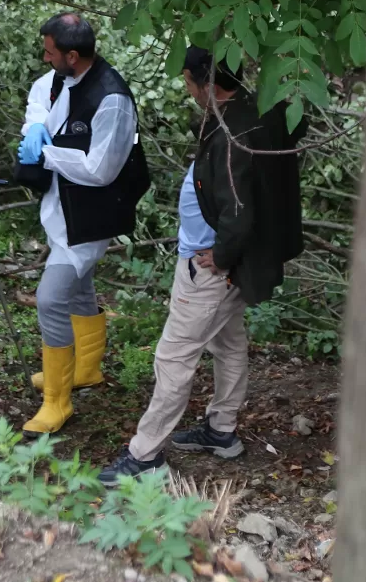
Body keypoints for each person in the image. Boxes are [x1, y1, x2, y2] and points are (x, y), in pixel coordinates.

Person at [99, 47, 306, 485]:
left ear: (208, 84)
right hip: (229, 260)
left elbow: (240, 209)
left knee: (173, 356)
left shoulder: (236, 133)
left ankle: (145, 455)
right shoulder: (256, 108)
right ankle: (221, 430)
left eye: (189, 83)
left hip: (211, 266)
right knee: (227, 343)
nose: (187, 90)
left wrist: (223, 256)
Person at [15, 13, 150, 436]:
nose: (45, 57)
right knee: (81, 287)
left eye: (50, 52)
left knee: (52, 298)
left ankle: (57, 402)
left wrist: (46, 153)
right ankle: (86, 368)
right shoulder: (59, 78)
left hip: (91, 216)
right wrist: (36, 125)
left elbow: (101, 169)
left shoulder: (111, 99)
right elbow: (39, 98)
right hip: (63, 209)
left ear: (73, 55)